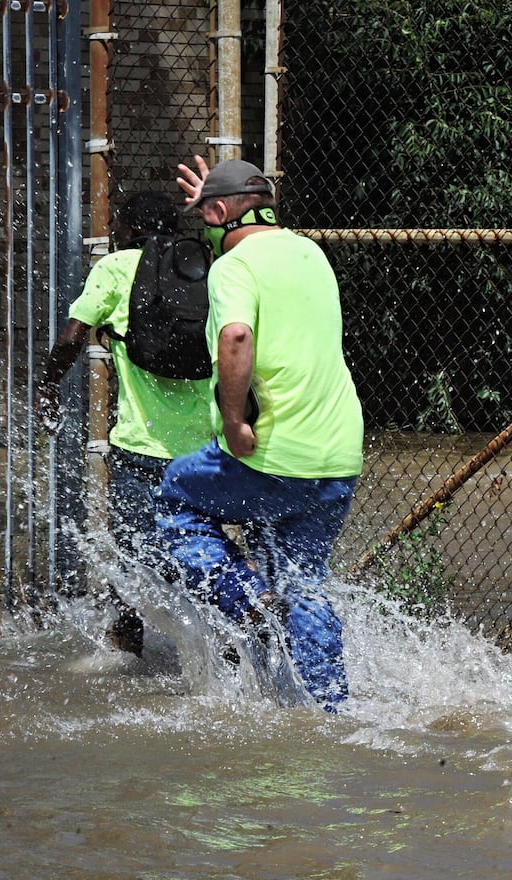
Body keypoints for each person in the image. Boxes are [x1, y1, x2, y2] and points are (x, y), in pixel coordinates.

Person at [154, 157, 365, 712]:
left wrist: (232, 422)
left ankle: (246, 601)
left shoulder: (235, 265)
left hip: (274, 453)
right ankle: (328, 711)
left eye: (205, 218)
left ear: (221, 212)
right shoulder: (310, 252)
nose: (202, 230)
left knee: (176, 494)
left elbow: (238, 336)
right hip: (338, 452)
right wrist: (218, 195)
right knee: (303, 584)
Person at [40, 191, 216, 659]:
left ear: (128, 229)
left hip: (140, 447)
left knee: (134, 559)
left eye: (117, 224)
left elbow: (72, 336)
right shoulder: (203, 268)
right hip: (206, 449)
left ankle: (126, 655)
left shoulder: (115, 268)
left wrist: (46, 384)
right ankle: (220, 650)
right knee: (200, 551)